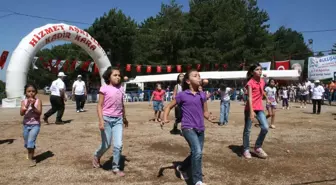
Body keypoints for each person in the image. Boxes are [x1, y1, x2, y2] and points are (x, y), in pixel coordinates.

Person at [162, 69, 212, 185]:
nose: (199, 77)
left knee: (196, 152)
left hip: (200, 128)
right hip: (187, 128)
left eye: (199, 75)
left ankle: (182, 167)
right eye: (195, 76)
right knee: (198, 152)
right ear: (188, 81)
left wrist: (208, 116)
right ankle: (198, 181)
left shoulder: (202, 95)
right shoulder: (182, 95)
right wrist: (165, 118)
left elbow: (205, 112)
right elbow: (168, 107)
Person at [92, 67, 128, 177]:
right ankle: (97, 155)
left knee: (118, 144)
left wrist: (124, 118)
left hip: (118, 120)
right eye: (115, 75)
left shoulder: (121, 89)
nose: (118, 77)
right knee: (106, 145)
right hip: (106, 119)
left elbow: (121, 104)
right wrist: (101, 121)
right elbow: (99, 105)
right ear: (109, 77)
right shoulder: (104, 89)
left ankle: (115, 167)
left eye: (119, 75)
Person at [243, 63, 269, 159]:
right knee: (247, 130)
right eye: (257, 69)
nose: (260, 71)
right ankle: (245, 149)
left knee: (265, 127)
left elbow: (262, 91)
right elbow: (249, 98)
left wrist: (267, 98)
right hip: (250, 108)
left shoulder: (262, 81)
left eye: (261, 69)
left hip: (259, 108)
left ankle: (257, 147)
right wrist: (251, 111)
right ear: (252, 72)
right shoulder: (250, 82)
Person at [20, 84, 42, 167]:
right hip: (26, 125)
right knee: (27, 143)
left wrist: (33, 106)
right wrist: (25, 106)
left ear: (36, 92)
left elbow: (39, 113)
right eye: (29, 91)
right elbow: (21, 114)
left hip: (35, 125)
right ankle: (31, 153)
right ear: (25, 93)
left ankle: (31, 159)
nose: (31, 93)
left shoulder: (38, 101)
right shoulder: (23, 102)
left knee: (30, 142)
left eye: (33, 91)